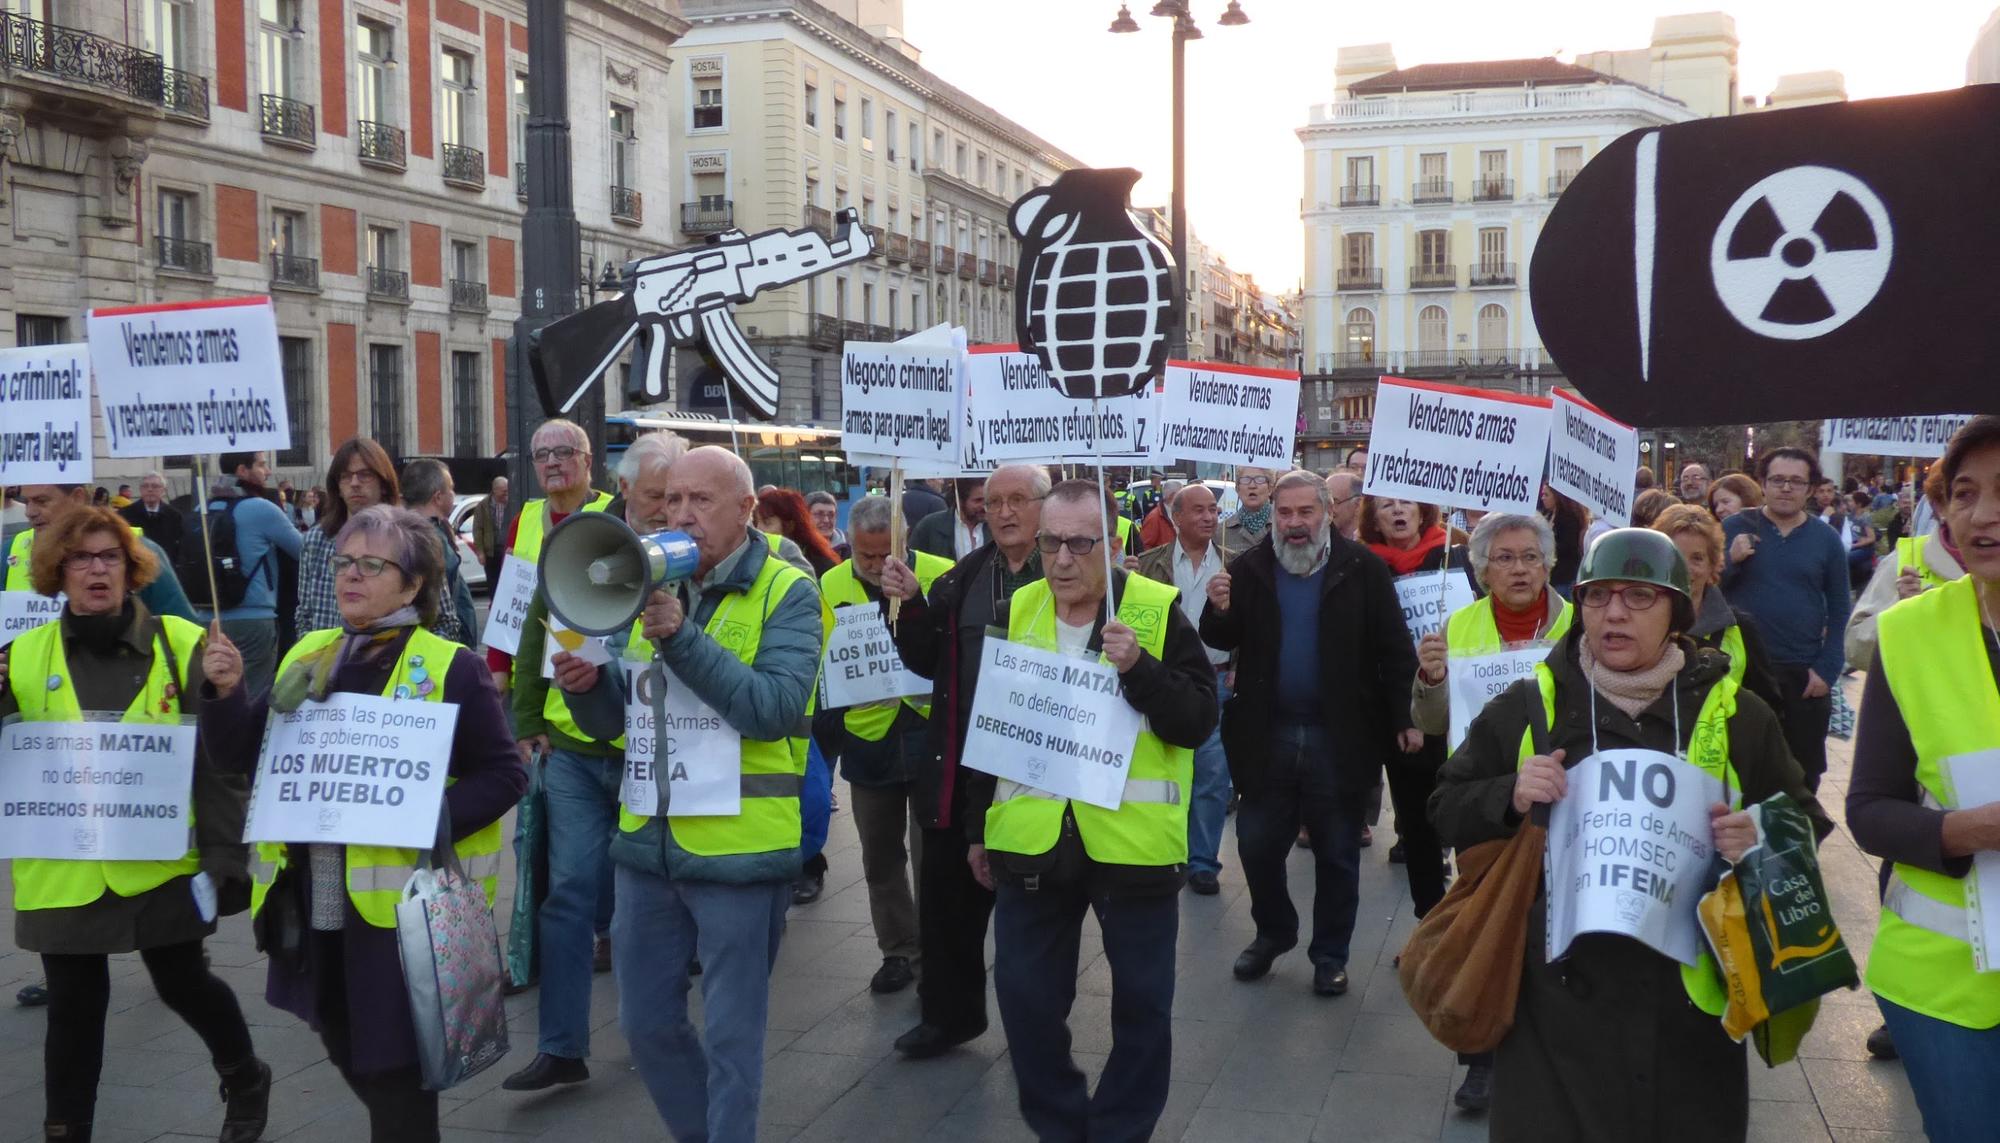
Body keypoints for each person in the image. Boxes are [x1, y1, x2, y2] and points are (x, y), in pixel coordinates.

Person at [1430, 528, 1827, 1142]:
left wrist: (1761, 838)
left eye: (1640, 596)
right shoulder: (1530, 707)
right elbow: (1445, 806)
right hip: (1555, 1012)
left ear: (1675, 613)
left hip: (1691, 1016)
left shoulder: (1737, 715)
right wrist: (1508, 794)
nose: (1614, 613)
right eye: (1597, 596)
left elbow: (1805, 819)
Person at [205, 505, 523, 1143]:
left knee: (395, 1073)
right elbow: (238, 754)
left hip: (399, 917)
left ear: (412, 585)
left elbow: (506, 774)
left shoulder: (449, 667)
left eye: (373, 565)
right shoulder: (312, 654)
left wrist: (420, 816)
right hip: (314, 900)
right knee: (346, 1041)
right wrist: (226, 691)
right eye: (344, 561)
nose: (351, 575)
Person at [556, 446, 821, 1143]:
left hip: (740, 851)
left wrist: (681, 636)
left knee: (734, 1039)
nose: (680, 515)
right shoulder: (644, 586)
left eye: (700, 501)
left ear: (745, 509)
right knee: (645, 1025)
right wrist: (587, 691)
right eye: (670, 500)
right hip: (648, 845)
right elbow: (624, 722)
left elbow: (771, 708)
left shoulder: (788, 591)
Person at [1, 506, 272, 1143]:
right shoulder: (20, 655)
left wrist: (226, 857)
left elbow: (223, 764)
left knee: (184, 982)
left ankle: (243, 1072)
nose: (97, 569)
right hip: (62, 870)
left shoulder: (183, 642)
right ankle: (66, 1130)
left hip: (160, 860)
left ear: (132, 568)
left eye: (110, 557)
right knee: (72, 1006)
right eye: (81, 558)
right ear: (57, 572)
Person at [962, 480, 1216, 1141]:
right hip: (1032, 840)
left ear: (1112, 543)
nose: (1063, 558)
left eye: (1080, 542)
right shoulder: (1018, 608)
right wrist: (976, 828)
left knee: (1143, 1006)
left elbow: (1196, 719)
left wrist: (1140, 669)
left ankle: (1120, 1130)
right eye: (1052, 542)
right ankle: (1063, 1125)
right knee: (1025, 1003)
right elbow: (985, 725)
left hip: (1132, 848)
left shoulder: (1156, 610)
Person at [502, 430, 687, 1093]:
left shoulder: (690, 547)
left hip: (656, 749)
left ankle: (659, 1031)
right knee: (569, 892)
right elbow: (534, 625)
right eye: (659, 494)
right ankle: (561, 1046)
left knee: (652, 904)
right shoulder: (581, 539)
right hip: (576, 752)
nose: (669, 508)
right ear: (627, 488)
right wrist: (526, 719)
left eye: (679, 496)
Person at [1201, 470, 1420, 997]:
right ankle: (1274, 932)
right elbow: (1219, 637)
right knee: (1254, 846)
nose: (1294, 523)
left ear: (1326, 513)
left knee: (1338, 854)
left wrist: (1404, 719)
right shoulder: (1250, 566)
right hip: (1267, 734)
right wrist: (1218, 606)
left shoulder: (1361, 568)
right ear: (1273, 516)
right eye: (1285, 513)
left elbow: (1393, 648)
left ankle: (1330, 955)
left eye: (1305, 512)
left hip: (1338, 736)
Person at [1847, 415, 2000, 1141]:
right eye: (1964, 493)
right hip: (1943, 985)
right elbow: (1868, 809)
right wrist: (1967, 830)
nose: (1983, 513)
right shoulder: (1907, 631)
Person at [879, 462, 1048, 1058]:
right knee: (948, 907)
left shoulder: (1075, 572)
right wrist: (907, 605)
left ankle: (1040, 1028)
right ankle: (948, 1016)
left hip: (1040, 772)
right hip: (962, 765)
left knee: (1038, 918)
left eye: (1018, 500)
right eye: (993, 500)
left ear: (1044, 508)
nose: (1002, 511)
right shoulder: (964, 576)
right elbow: (925, 659)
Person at [1409, 511, 1571, 1113]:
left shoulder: (1582, 626)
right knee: (1484, 930)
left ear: (1550, 564)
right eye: (1504, 558)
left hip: (1563, 801)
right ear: (1480, 570)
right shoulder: (1459, 626)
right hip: (1484, 807)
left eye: (1530, 556)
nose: (1519, 568)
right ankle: (1478, 1058)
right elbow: (1430, 723)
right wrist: (1431, 679)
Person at [814, 494, 949, 992]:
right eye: (863, 556)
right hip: (869, 740)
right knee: (879, 856)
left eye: (881, 555)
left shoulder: (939, 572)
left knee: (931, 853)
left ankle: (938, 948)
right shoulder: (832, 582)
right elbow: (825, 660)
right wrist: (837, 728)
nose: (871, 566)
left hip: (928, 729)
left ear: (904, 540)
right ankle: (898, 950)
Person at [1722, 447, 1852, 792]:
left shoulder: (1825, 539)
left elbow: (1841, 606)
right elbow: (1704, 591)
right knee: (1742, 768)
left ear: (1810, 489)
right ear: (1762, 483)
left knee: (1802, 773)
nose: (1786, 488)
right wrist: (1731, 561)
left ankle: (1797, 839)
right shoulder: (1734, 527)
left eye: (1796, 481)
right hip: (1742, 672)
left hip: (1802, 675)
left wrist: (1828, 667)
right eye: (1778, 480)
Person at [1359, 495, 1463, 901]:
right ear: (1374, 520)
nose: (1398, 511)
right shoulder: (1365, 567)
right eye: (1386, 506)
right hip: (1399, 711)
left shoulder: (1456, 557)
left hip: (1458, 701)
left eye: (1406, 504)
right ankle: (1428, 920)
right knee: (1418, 821)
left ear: (1424, 512)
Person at [1136, 481, 1232, 894]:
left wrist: (1239, 663)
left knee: (1212, 774)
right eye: (1199, 510)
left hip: (1217, 679)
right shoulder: (1148, 563)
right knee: (1164, 771)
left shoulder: (1234, 565)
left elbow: (1253, 623)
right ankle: (1165, 851)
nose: (1210, 517)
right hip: (1165, 682)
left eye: (1213, 509)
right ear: (1176, 519)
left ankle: (1202, 861)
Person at [485, 420, 614, 687]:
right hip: (528, 680)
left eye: (563, 452)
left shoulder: (613, 514)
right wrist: (497, 666)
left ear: (587, 461)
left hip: (589, 680)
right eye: (541, 455)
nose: (551, 462)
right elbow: (507, 600)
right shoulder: (524, 519)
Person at [1650, 504, 1785, 716]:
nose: (1685, 568)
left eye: (1697, 558)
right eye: (1675, 556)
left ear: (1713, 565)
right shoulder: (1638, 624)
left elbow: (1768, 709)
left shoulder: (1741, 629)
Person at [195, 451, 304, 697]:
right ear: (242, 470)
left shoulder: (202, 508)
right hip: (252, 620)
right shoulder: (260, 508)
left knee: (215, 694)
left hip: (204, 618)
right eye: (262, 465)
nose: (267, 472)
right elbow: (303, 550)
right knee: (252, 696)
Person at [13, 484, 200, 624]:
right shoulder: (12, 551)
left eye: (41, 501)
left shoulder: (140, 550)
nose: (30, 512)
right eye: (26, 501)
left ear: (78, 497)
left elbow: (184, 633)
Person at [1849, 468, 1960, 669]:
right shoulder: (1905, 559)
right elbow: (1855, 649)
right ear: (1939, 507)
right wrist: (1900, 609)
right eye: (1965, 494)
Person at [296, 439, 400, 637]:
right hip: (328, 662)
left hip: (392, 660)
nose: (354, 483)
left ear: (384, 484)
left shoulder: (410, 539)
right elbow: (304, 614)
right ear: (337, 487)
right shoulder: (316, 540)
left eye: (365, 475)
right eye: (346, 477)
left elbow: (442, 621)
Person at [399, 460, 475, 645]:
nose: (453, 493)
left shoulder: (405, 530)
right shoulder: (427, 536)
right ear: (438, 497)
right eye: (451, 489)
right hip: (444, 646)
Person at [755, 487, 839, 577]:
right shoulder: (754, 556)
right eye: (755, 522)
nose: (758, 529)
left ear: (790, 526)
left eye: (767, 523)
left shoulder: (823, 566)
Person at [910, 477, 987, 561]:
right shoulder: (929, 526)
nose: (985, 507)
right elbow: (912, 563)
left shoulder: (995, 526)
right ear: (960, 500)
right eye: (978, 500)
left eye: (987, 500)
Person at [118, 471, 183, 563]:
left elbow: (179, 548)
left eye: (155, 486)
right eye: (145, 486)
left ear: (163, 490)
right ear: (140, 489)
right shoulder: (125, 514)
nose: (150, 489)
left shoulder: (174, 516)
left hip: (164, 566)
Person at [1540, 484, 1589, 598]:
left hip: (1564, 577)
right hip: (1552, 576)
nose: (1543, 498)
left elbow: (1568, 547)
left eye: (1546, 495)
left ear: (1557, 496)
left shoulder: (1568, 519)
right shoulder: (1547, 515)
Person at [1221, 466, 1274, 551]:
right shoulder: (1222, 533)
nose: (1252, 485)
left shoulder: (1283, 525)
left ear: (1270, 489)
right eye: (1245, 480)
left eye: (1259, 480)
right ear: (1237, 489)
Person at [473, 476, 510, 586]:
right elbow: (477, 529)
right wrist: (480, 552)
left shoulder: (512, 502)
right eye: (504, 491)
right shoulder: (483, 506)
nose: (507, 493)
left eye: (508, 490)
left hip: (508, 551)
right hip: (491, 553)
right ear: (495, 490)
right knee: (493, 583)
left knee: (507, 583)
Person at [1136, 478, 1183, 551]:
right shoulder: (1155, 517)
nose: (1184, 498)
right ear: (1172, 496)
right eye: (1181, 495)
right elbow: (1144, 546)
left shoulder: (1178, 513)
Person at [1327, 469, 1364, 541]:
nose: (1326, 509)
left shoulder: (1372, 546)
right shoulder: (1319, 544)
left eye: (1334, 502)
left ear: (1358, 505)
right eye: (1324, 502)